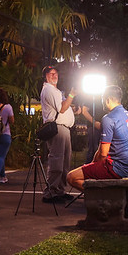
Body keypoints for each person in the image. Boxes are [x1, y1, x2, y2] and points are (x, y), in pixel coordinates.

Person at [67, 85, 128, 191]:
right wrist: (92, 166)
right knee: (92, 167)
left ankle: (102, 198)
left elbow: (102, 154)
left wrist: (91, 166)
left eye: (102, 98)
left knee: (71, 177)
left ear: (107, 99)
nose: (101, 102)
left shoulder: (109, 118)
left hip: (118, 169)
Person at [40, 65, 77, 203]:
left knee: (65, 161)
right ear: (45, 76)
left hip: (64, 128)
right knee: (57, 160)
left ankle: (60, 190)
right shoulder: (49, 89)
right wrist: (72, 95)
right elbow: (61, 109)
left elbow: (63, 106)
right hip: (57, 129)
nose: (54, 76)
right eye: (51, 74)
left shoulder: (54, 90)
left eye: (56, 73)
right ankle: (51, 192)